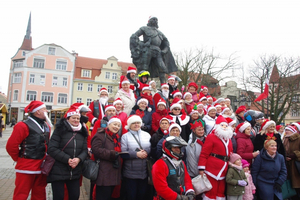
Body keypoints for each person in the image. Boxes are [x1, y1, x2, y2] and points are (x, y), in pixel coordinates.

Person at [6, 100, 52, 200]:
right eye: (44, 109)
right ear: (37, 112)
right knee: (21, 194)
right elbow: (11, 145)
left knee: (40, 194)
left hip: (41, 166)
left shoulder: (47, 126)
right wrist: (19, 159)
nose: (47, 111)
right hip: (26, 166)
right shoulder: (22, 125)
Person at [47, 103, 88, 200]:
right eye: (73, 118)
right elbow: (52, 149)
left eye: (78, 118)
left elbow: (85, 150)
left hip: (75, 171)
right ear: (68, 118)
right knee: (59, 197)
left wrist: (78, 159)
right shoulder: (59, 130)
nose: (76, 120)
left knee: (74, 196)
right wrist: (68, 159)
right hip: (58, 169)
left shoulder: (82, 132)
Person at [130, 16, 177, 84]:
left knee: (162, 68)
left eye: (156, 20)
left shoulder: (160, 33)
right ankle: (141, 85)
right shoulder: (144, 28)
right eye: (153, 19)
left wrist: (164, 50)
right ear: (149, 21)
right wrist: (142, 44)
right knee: (144, 68)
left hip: (158, 51)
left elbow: (166, 43)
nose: (155, 21)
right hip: (147, 50)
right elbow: (134, 37)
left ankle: (163, 85)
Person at [198, 115, 234, 200]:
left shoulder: (228, 139)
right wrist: (201, 168)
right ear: (217, 126)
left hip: (224, 168)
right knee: (211, 190)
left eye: (226, 125)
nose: (224, 127)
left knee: (221, 190)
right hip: (212, 168)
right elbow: (204, 153)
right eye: (222, 125)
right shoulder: (211, 137)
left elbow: (231, 153)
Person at [91, 116, 122, 200]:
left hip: (113, 172)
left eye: (118, 125)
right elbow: (96, 150)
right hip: (103, 172)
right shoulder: (100, 135)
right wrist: (111, 154)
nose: (116, 127)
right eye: (114, 124)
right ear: (108, 125)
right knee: (102, 196)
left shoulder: (116, 137)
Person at [121, 115, 151, 200]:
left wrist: (146, 152)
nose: (136, 125)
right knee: (131, 196)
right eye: (133, 123)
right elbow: (123, 152)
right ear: (129, 125)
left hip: (144, 172)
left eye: (138, 123)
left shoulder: (147, 135)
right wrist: (136, 154)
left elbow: (150, 148)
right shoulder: (125, 136)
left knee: (142, 195)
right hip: (130, 173)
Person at [282, 125, 300, 199]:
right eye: (285, 130)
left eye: (288, 130)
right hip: (287, 165)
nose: (286, 132)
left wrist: (295, 155)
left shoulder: (298, 139)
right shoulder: (285, 139)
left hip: (296, 165)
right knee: (290, 185)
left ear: (292, 131)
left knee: (297, 185)